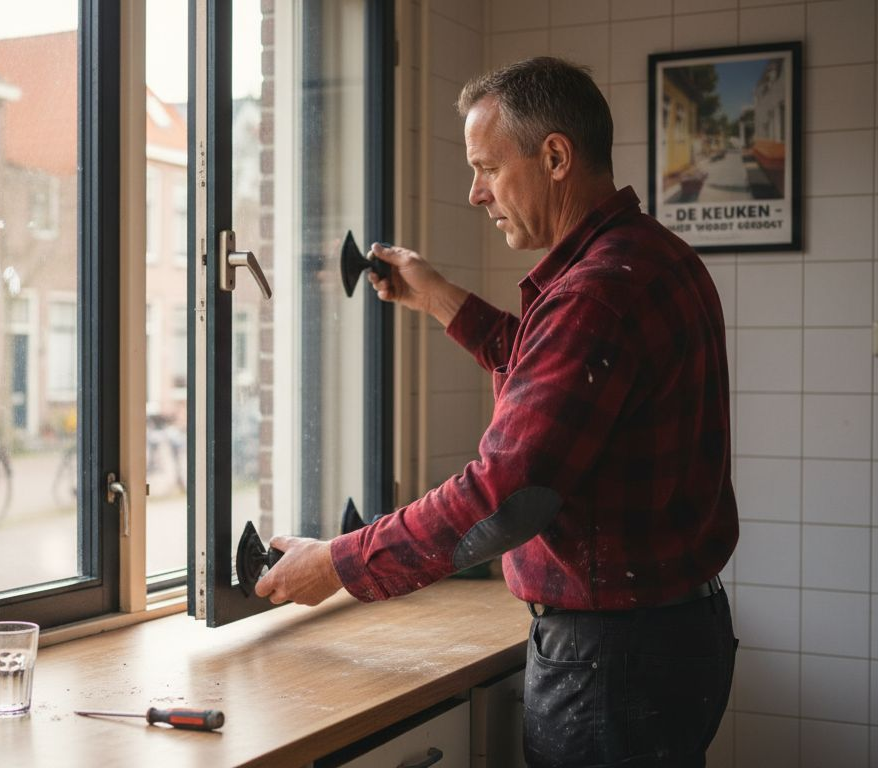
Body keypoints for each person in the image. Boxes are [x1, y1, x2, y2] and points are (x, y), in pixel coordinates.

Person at [255, 56, 738, 767]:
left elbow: (505, 497)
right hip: (677, 636)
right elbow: (567, 386)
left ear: (554, 156)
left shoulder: (592, 296)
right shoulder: (653, 258)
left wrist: (336, 564)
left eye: (486, 167)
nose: (476, 193)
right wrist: (438, 296)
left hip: (612, 661)